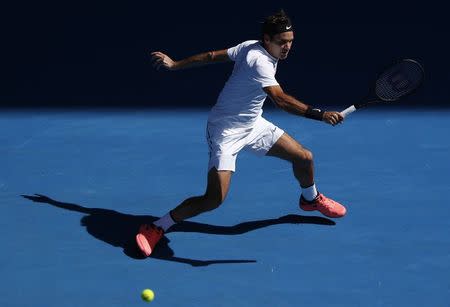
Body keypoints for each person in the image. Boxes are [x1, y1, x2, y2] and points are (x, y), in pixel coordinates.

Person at [136, 9, 346, 257]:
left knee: (304, 157)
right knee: (214, 198)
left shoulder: (250, 45)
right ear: (267, 40)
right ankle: (157, 226)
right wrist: (319, 114)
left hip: (253, 125)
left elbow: (213, 55)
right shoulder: (260, 61)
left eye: (291, 41)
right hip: (225, 132)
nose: (287, 47)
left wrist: (175, 64)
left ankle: (310, 200)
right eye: (282, 42)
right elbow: (280, 100)